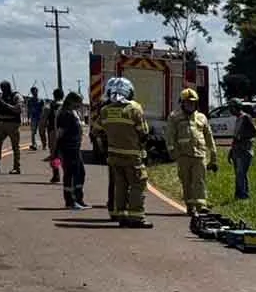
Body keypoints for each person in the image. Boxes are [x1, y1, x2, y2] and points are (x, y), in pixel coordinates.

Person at [96, 77, 153, 228]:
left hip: (114, 155)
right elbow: (143, 132)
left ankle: (120, 215)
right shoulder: (134, 108)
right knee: (137, 184)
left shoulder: (105, 111)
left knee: (119, 185)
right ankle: (136, 217)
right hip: (132, 155)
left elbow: (97, 130)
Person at [166, 88, 218, 216]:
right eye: (187, 102)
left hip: (199, 154)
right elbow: (170, 136)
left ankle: (201, 206)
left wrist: (213, 154)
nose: (190, 105)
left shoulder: (202, 117)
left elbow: (208, 136)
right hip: (183, 155)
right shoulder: (174, 117)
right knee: (186, 181)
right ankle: (190, 206)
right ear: (182, 103)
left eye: (193, 103)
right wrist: (172, 151)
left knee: (199, 180)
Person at [55, 92, 88, 210]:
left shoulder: (73, 113)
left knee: (80, 172)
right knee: (70, 174)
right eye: (78, 102)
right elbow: (60, 134)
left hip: (75, 148)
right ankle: (70, 201)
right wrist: (56, 152)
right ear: (71, 101)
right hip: (68, 148)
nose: (80, 104)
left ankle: (79, 198)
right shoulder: (65, 114)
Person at [227, 99, 256, 201]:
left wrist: (243, 137)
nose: (230, 110)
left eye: (231, 107)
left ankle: (243, 196)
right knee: (238, 174)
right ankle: (238, 195)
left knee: (241, 174)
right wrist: (231, 151)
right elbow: (236, 137)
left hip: (245, 151)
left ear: (236, 107)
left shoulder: (246, 117)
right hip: (237, 151)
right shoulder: (238, 119)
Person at [40, 88, 64, 184]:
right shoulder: (68, 106)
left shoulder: (49, 106)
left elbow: (42, 123)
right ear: (63, 96)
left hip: (53, 132)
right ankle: (69, 174)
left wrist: (43, 139)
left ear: (53, 96)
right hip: (67, 133)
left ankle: (56, 174)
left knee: (55, 155)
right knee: (67, 154)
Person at [27, 86, 45, 151]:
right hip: (33, 118)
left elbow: (43, 110)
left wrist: (44, 118)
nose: (34, 92)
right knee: (33, 132)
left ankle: (43, 144)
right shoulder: (29, 100)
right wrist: (28, 117)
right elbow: (28, 109)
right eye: (33, 91)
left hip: (40, 117)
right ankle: (34, 144)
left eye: (35, 91)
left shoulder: (41, 100)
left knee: (41, 132)